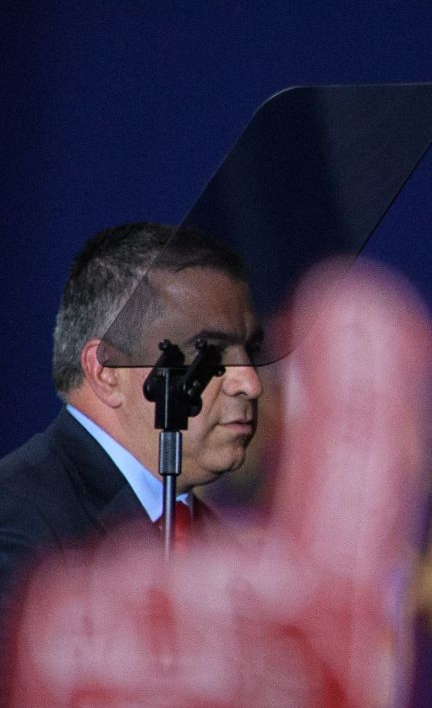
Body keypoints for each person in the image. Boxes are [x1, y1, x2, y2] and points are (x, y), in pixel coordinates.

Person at [0, 222, 264, 611]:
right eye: (208, 351)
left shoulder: (219, 546)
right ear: (107, 372)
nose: (250, 382)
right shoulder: (20, 524)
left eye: (251, 351)